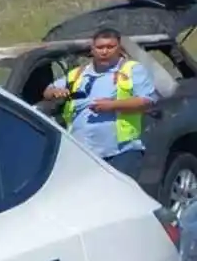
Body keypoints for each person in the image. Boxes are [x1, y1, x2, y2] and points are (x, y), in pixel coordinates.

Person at [43, 28, 158, 182]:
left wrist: (112, 106)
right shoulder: (78, 74)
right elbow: (47, 91)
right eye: (100, 47)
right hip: (83, 152)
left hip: (120, 151)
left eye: (110, 47)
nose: (104, 51)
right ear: (92, 49)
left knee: (119, 198)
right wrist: (55, 92)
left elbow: (148, 101)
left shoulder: (132, 70)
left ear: (119, 48)